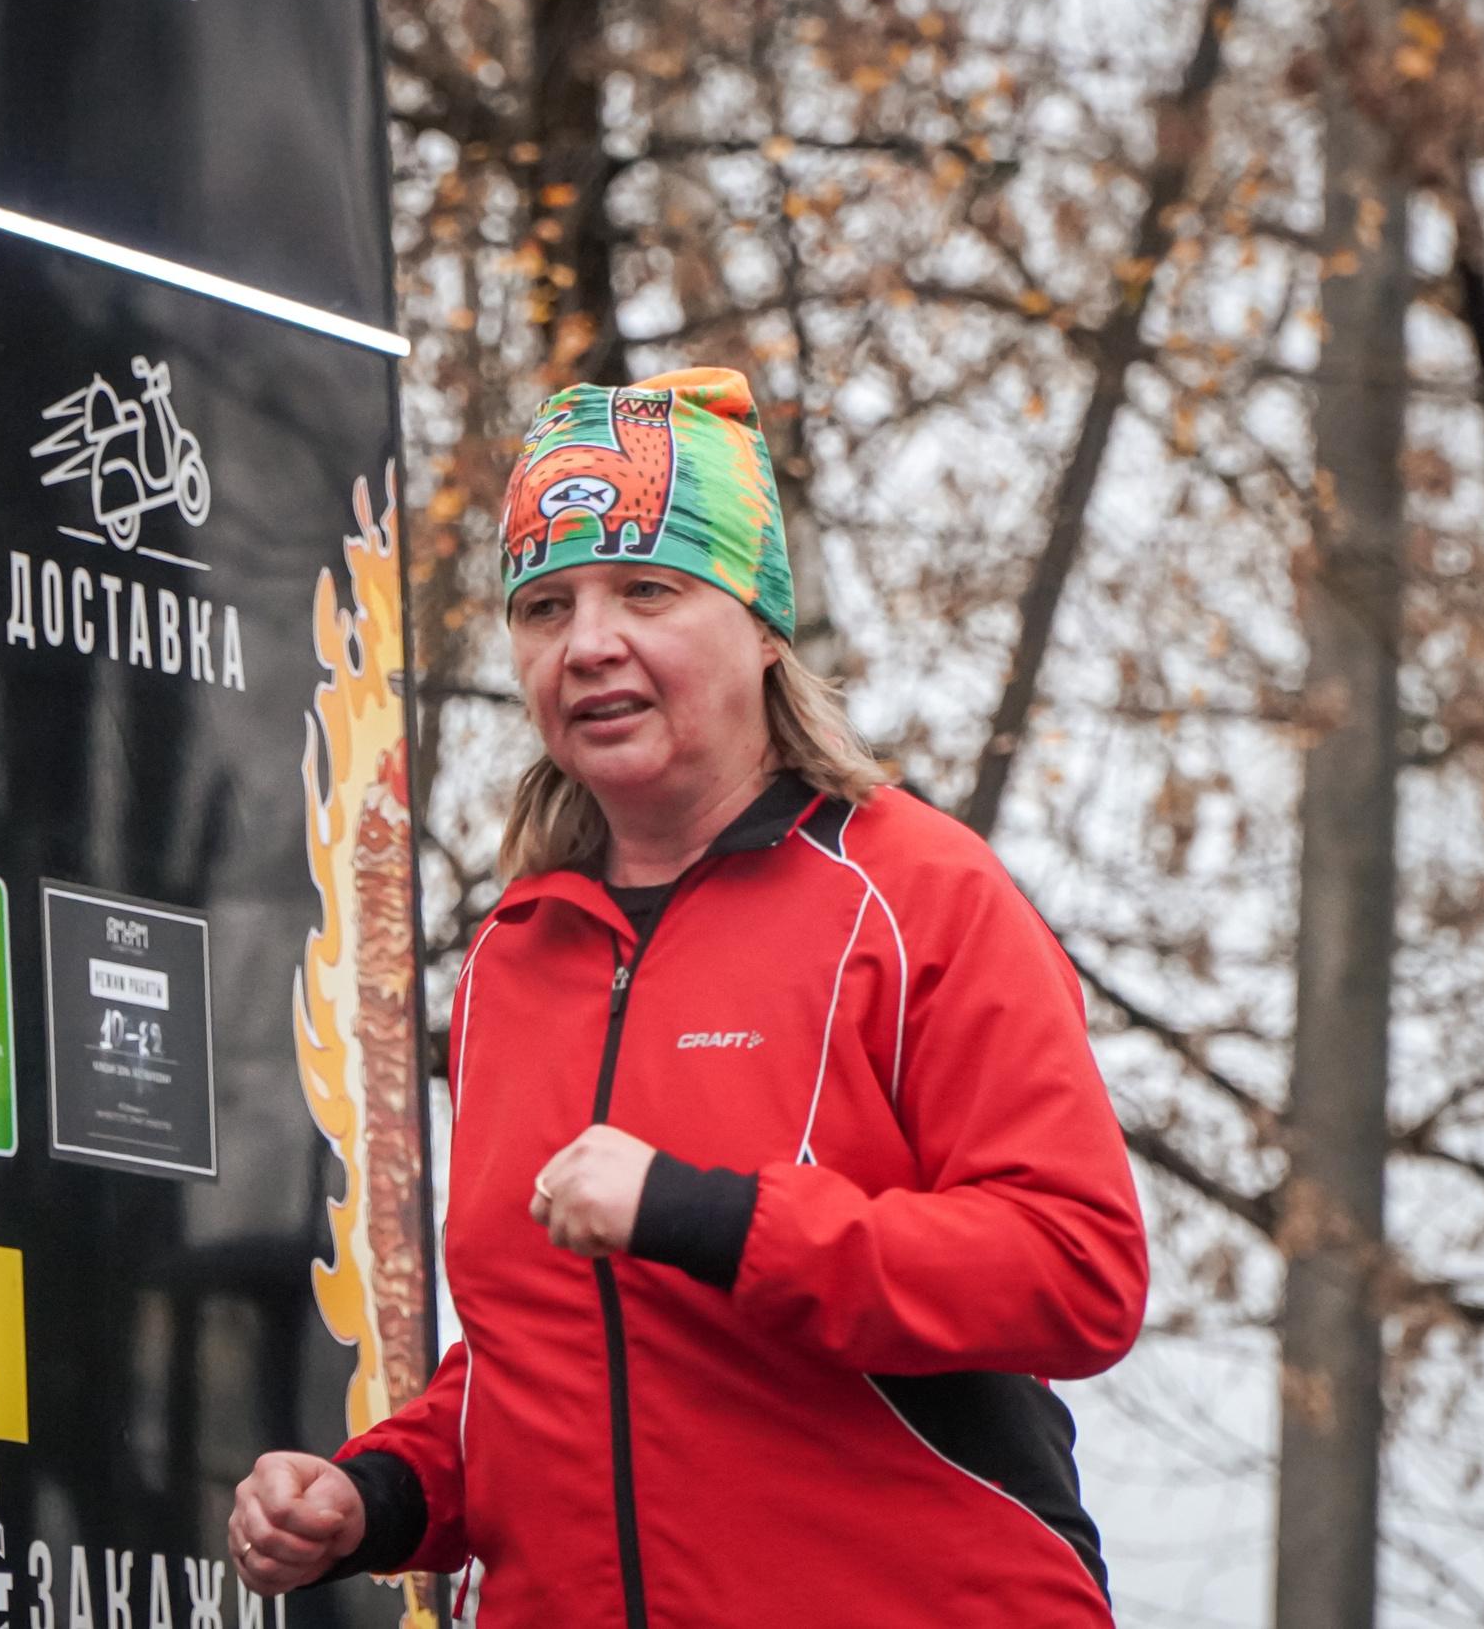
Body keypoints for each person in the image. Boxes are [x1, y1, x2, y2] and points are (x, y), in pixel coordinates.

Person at [227, 367, 1148, 1624]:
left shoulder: (916, 891)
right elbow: (548, 1355)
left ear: (761, 623)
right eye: (545, 607)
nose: (589, 641)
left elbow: (1077, 1271)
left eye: (646, 591)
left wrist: (706, 1216)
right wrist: (380, 1494)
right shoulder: (515, 954)